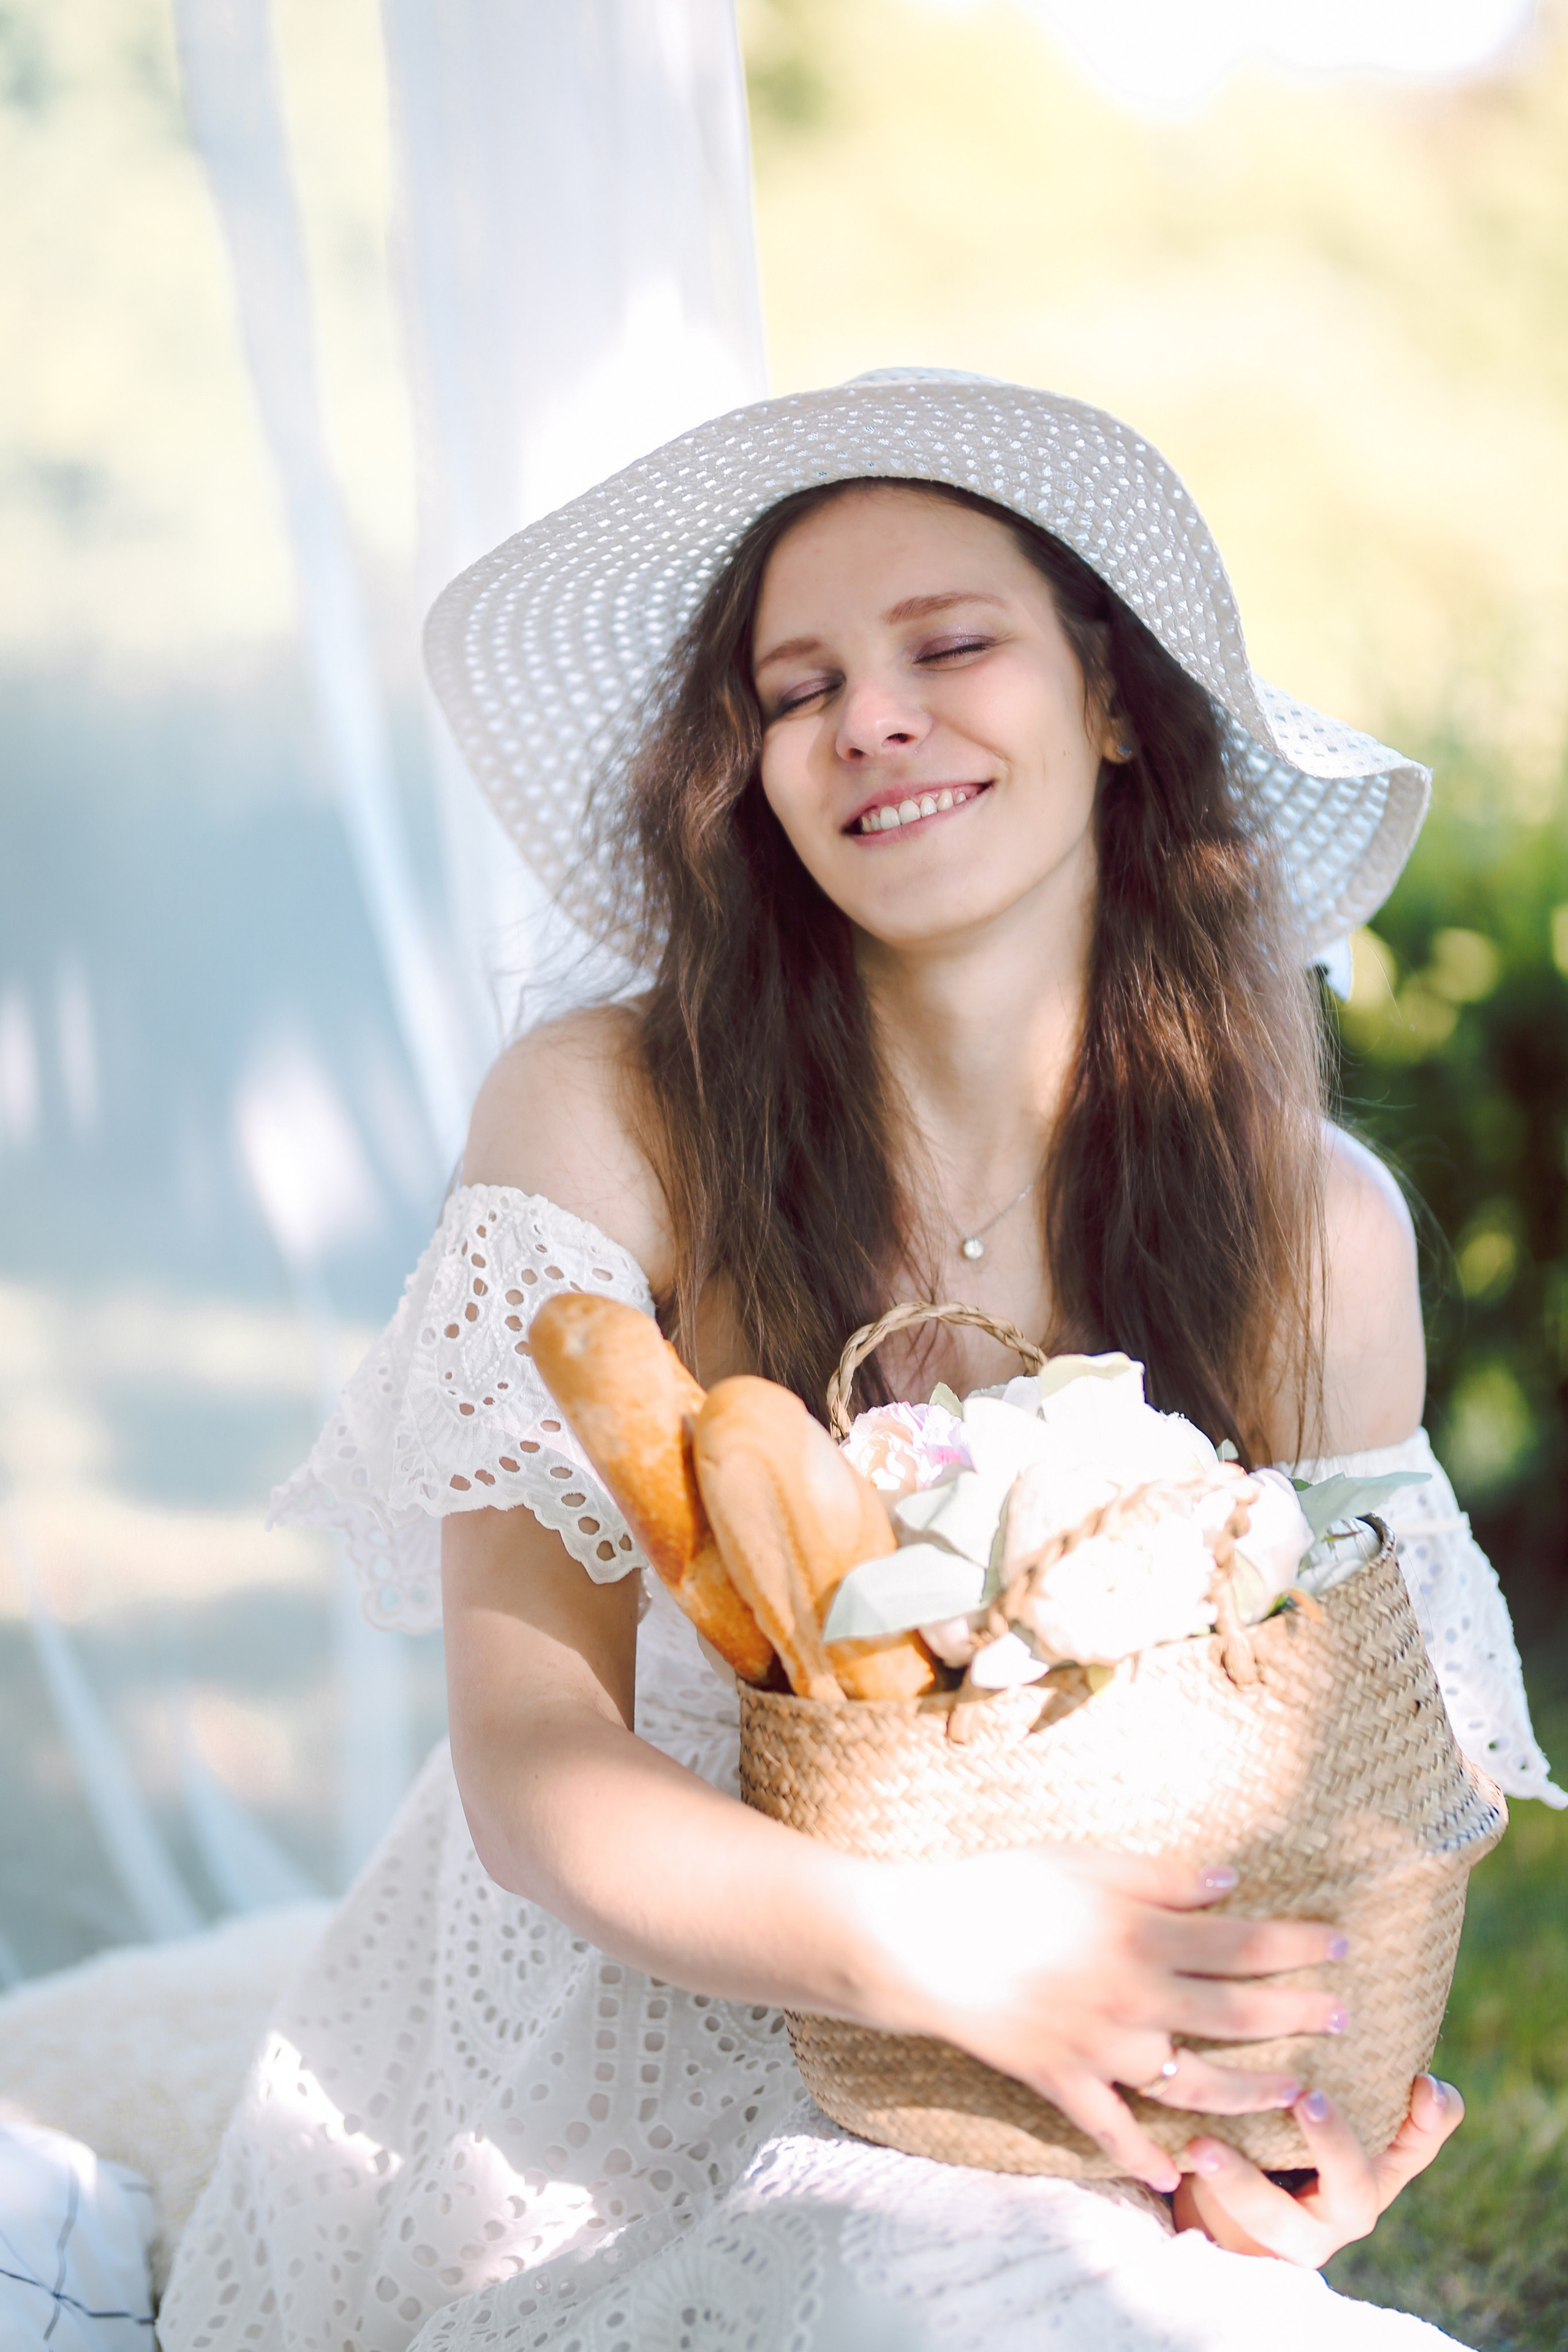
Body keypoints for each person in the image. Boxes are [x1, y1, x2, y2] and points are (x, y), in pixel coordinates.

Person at [159, 371, 1561, 2351]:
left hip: (1054, 2074)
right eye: (795, 687)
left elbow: (1364, 1778)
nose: (868, 719)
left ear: (1108, 701)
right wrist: (934, 1955)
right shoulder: (606, 1114)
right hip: (627, 2025)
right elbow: (531, 1763)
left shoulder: (1313, 1224)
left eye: (950, 644)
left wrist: (1303, 2108)